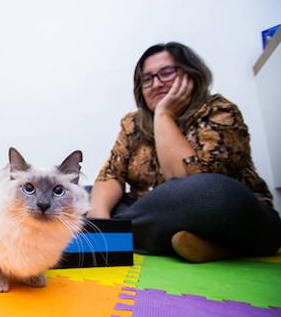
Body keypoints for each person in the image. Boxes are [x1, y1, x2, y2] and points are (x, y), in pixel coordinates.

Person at [87, 42, 281, 263]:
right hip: (155, 212)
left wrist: (163, 115)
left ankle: (130, 235)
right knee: (79, 194)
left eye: (166, 73)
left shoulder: (219, 111)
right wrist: (101, 224)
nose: (156, 83)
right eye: (147, 79)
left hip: (225, 212)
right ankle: (192, 245)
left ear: (191, 74)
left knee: (210, 192)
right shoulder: (133, 123)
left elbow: (183, 181)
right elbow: (111, 173)